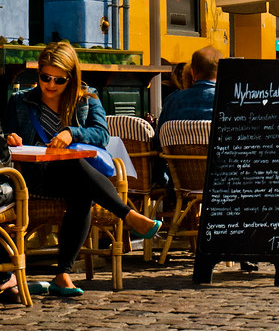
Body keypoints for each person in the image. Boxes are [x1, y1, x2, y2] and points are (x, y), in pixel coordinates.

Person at [3, 42, 161, 296]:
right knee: (76, 166)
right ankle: (128, 215)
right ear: (39, 73)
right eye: (45, 78)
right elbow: (8, 135)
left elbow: (101, 134)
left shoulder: (87, 98)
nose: (51, 85)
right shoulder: (21, 101)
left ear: (71, 77)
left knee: (80, 184)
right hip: (35, 176)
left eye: (59, 80)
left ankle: (63, 274)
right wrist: (12, 138)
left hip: (74, 176)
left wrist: (70, 132)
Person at [158, 46, 221, 134]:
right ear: (221, 72)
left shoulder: (172, 101)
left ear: (192, 72)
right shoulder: (227, 102)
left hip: (177, 147)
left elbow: (158, 139)